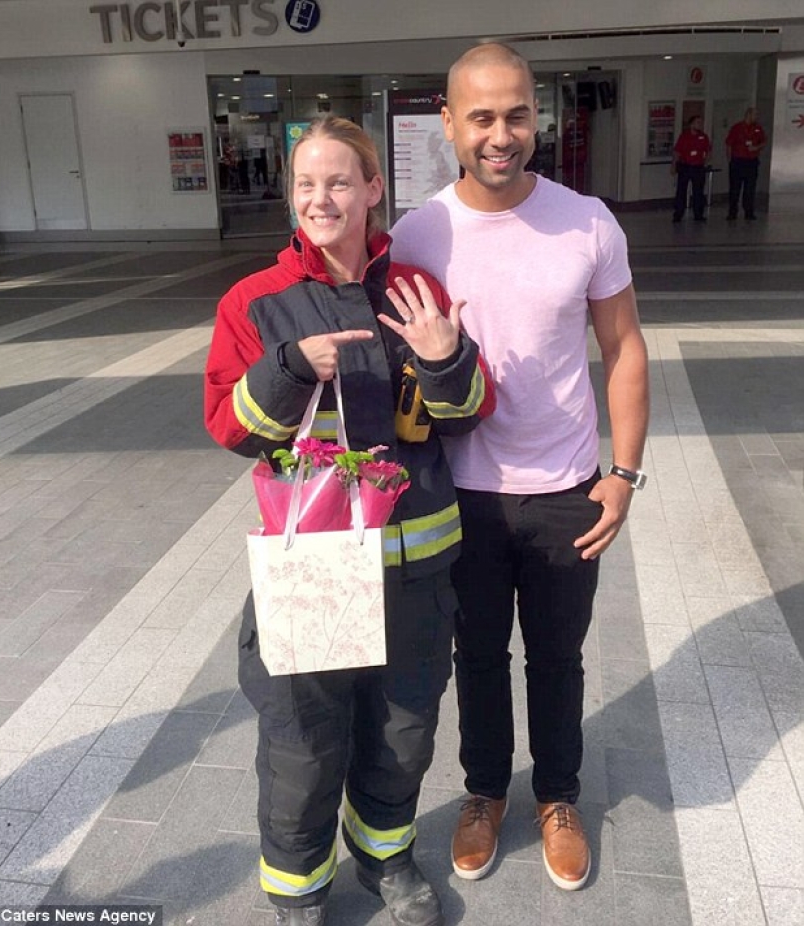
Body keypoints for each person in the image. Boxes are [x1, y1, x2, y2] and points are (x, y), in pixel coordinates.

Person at [204, 115, 495, 926]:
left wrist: (445, 359)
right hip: (316, 570)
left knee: (403, 729)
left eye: (338, 181)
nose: (319, 198)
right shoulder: (253, 302)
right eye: (305, 183)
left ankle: (384, 860)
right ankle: (297, 889)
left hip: (413, 570)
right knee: (302, 738)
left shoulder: (416, 291)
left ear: (373, 190)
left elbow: (467, 416)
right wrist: (290, 369)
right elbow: (231, 429)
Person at [390, 43, 649, 894]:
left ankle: (559, 797)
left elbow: (622, 349)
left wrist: (623, 474)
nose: (500, 135)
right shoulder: (417, 232)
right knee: (478, 658)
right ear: (449, 125)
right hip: (458, 494)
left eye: (515, 115)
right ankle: (484, 792)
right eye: (481, 117)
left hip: (567, 491)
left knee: (557, 658)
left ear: (536, 115)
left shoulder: (586, 221)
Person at [725, 107, 766, 220]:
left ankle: (749, 212)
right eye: (755, 115)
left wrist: (756, 147)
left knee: (750, 188)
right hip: (738, 161)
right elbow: (729, 144)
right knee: (735, 188)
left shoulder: (758, 128)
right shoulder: (737, 128)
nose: (756, 117)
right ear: (748, 114)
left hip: (751, 162)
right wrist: (730, 159)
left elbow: (763, 142)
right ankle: (732, 212)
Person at [672, 115, 711, 222]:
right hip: (685, 166)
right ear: (692, 124)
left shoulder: (703, 137)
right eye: (698, 122)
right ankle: (678, 214)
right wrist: (674, 165)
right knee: (681, 191)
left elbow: (708, 151)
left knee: (698, 191)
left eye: (701, 122)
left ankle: (698, 214)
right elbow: (677, 152)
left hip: (698, 167)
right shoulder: (684, 136)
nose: (700, 125)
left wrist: (705, 162)